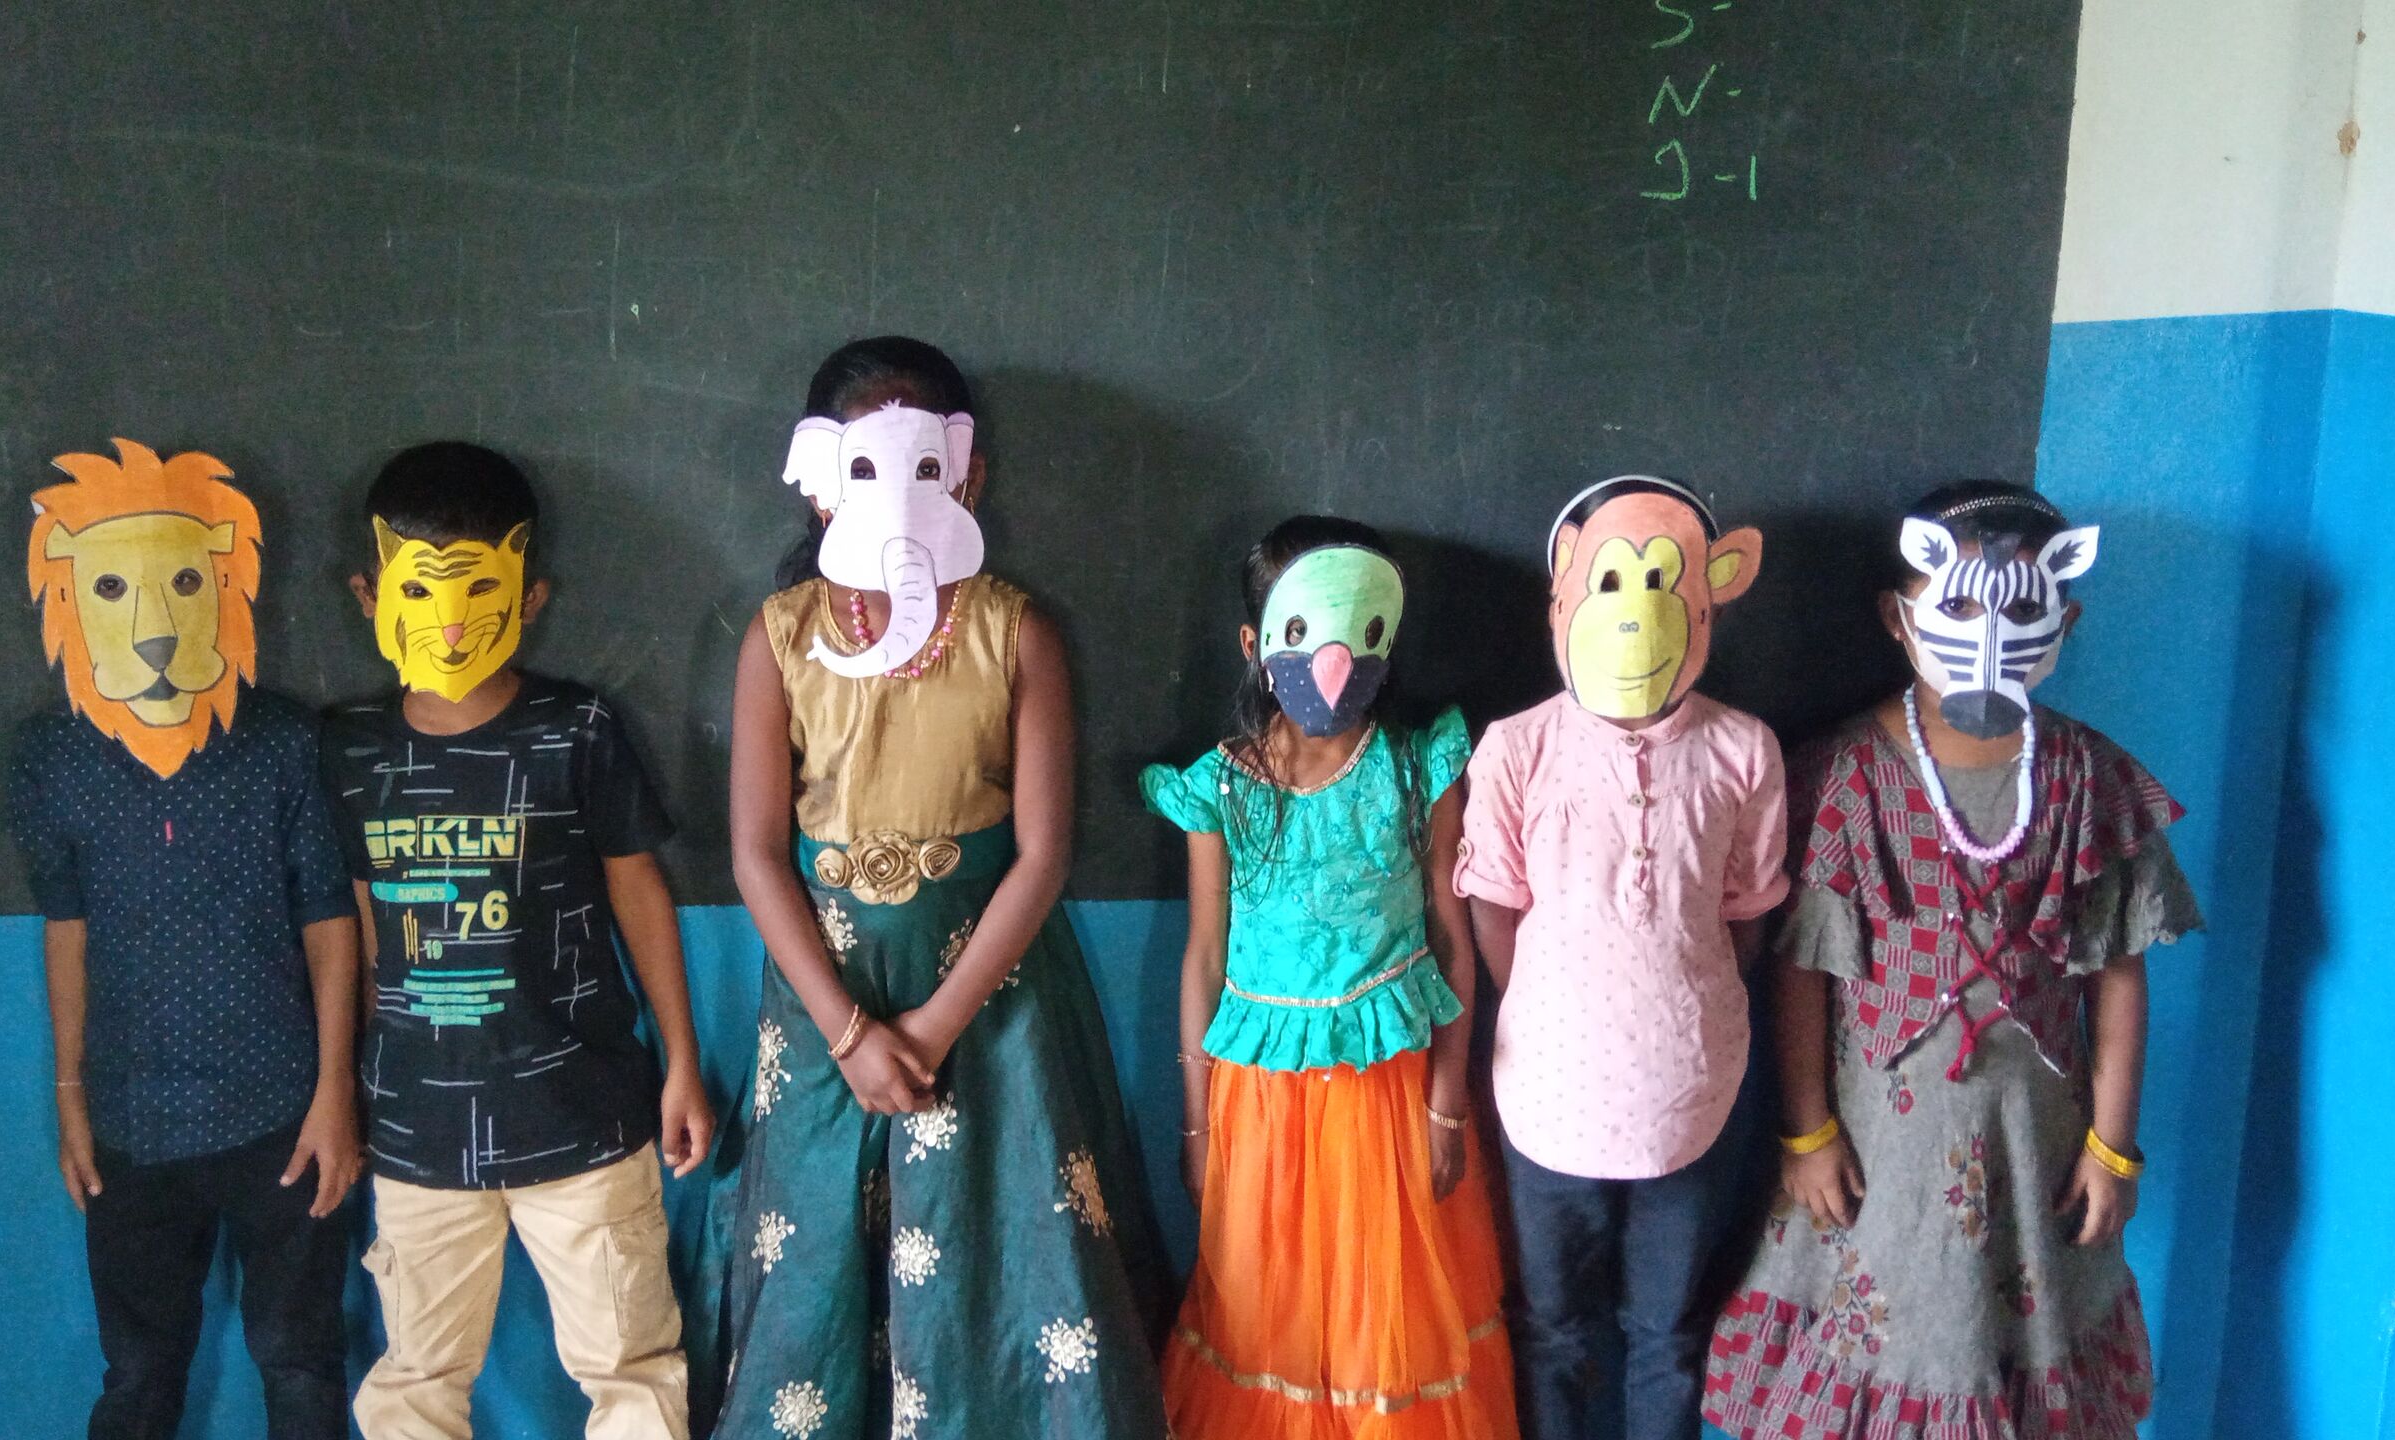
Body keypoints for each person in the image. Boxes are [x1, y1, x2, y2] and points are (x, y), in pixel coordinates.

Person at [695, 336, 1169, 1440]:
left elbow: (1042, 853)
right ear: (817, 479)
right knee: (811, 1257)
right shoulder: (781, 638)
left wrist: (935, 1024)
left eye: (925, 466)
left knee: (1000, 1248)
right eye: (865, 465)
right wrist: (850, 1032)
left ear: (969, 475)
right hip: (823, 999)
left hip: (991, 1001)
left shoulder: (1014, 631)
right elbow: (757, 852)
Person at [1703, 481, 2199, 1440]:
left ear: (2066, 620)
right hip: (1880, 1159)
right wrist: (1807, 1133)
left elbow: (2119, 971)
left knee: (2018, 1351)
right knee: (1897, 1339)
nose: (1988, 634)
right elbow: (1801, 971)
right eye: (1959, 607)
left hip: (2038, 1153)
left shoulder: (2089, 783)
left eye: (2020, 611)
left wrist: (2112, 1146)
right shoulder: (1842, 779)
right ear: (1899, 618)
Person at [324, 440, 715, 1440]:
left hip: (580, 1114)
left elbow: (637, 888)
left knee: (631, 1368)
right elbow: (358, 927)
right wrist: (344, 1090)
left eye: (479, 593)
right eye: (420, 592)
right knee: (416, 1378)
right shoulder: (351, 749)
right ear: (369, 596)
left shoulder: (574, 730)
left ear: (530, 598)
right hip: (417, 1126)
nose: (451, 625)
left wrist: (680, 1060)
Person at [7, 438, 361, 1439]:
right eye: (114, 587)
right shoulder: (50, 757)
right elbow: (66, 924)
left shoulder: (284, 740)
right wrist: (70, 1095)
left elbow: (330, 917)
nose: (154, 628)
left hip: (281, 1112)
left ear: (227, 582)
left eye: (184, 581)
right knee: (138, 1372)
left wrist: (335, 1092)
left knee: (300, 1362)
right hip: (131, 1121)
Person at [1142, 516, 1515, 1438]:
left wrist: (1447, 1101)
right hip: (1262, 1110)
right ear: (1255, 643)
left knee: (1384, 1328)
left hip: (1390, 1101)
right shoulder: (1220, 786)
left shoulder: (1414, 767)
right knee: (1272, 1317)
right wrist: (1196, 1125)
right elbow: (1204, 955)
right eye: (1306, 632)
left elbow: (1452, 937)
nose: (1334, 664)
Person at [1453, 475, 1786, 1440]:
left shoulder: (1743, 749)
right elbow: (1493, 907)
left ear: (1707, 597)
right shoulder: (1516, 747)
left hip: (1691, 1095)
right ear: (1565, 594)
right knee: (1553, 1328)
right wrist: (1557, 1002)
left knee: (1669, 1331)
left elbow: (1747, 915)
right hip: (1547, 1095)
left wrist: (1677, 995)